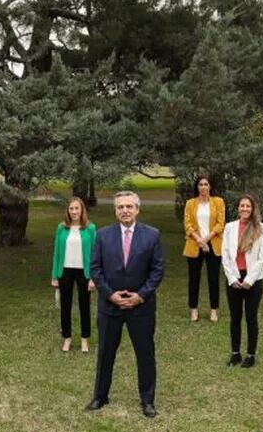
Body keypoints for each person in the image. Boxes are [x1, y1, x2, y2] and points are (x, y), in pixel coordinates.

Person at [86, 191, 165, 418]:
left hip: (141, 307)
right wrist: (110, 295)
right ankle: (100, 396)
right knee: (105, 353)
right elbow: (96, 269)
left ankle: (147, 400)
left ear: (137, 209)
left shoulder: (152, 236)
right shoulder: (102, 235)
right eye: (120, 207)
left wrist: (140, 296)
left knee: (145, 354)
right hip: (110, 307)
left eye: (129, 206)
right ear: (115, 210)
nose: (125, 210)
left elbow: (157, 270)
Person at [220, 194, 263, 368]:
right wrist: (232, 278)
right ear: (238, 208)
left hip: (253, 279)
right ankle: (235, 353)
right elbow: (225, 254)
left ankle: (250, 354)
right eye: (242, 206)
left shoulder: (261, 228)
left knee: (251, 317)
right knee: (235, 317)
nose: (245, 209)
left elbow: (262, 258)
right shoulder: (230, 227)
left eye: (248, 206)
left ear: (253, 208)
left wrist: (249, 280)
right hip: (234, 277)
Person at [50, 197, 97, 353]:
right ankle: (67, 338)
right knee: (65, 306)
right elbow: (56, 252)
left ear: (82, 210)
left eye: (77, 208)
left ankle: (85, 339)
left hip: (84, 272)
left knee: (84, 306)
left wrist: (93, 277)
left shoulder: (90, 228)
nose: (74, 211)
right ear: (68, 211)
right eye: (71, 209)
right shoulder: (61, 228)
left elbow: (96, 254)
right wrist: (55, 276)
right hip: (65, 271)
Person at [182, 175, 225, 322]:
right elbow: (187, 224)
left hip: (213, 244)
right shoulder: (190, 203)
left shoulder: (218, 202)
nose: (203, 187)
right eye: (200, 184)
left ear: (210, 186)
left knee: (213, 279)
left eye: (206, 184)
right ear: (197, 187)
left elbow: (220, 224)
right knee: (194, 279)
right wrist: (199, 239)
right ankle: (193, 309)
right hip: (194, 245)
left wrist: (206, 239)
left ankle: (214, 310)